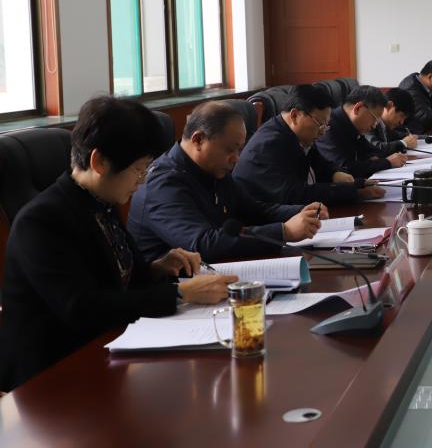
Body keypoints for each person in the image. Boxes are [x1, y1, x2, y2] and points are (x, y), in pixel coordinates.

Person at [0, 97, 237, 391]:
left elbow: (115, 282)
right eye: (138, 170)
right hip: (49, 376)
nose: (142, 181)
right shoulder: (41, 221)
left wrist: (156, 268)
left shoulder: (101, 203)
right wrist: (180, 293)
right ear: (99, 162)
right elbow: (83, 308)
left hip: (106, 348)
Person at [128, 101, 324, 263]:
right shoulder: (162, 185)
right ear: (198, 140)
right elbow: (202, 244)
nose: (236, 158)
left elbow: (255, 211)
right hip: (175, 289)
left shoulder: (213, 169)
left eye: (239, 150)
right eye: (230, 150)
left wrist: (301, 212)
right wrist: (284, 232)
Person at [233, 84, 384, 206]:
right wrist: (355, 194)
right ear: (295, 115)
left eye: (326, 126)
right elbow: (296, 194)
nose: (323, 132)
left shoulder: (294, 134)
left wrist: (355, 183)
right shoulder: (270, 144)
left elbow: (320, 165)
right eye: (320, 124)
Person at [317, 85, 408, 178]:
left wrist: (377, 159)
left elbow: (370, 151)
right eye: (374, 119)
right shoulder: (329, 127)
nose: (374, 125)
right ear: (358, 108)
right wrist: (387, 162)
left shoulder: (353, 125)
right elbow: (344, 169)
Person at [364, 87, 419, 156]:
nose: (401, 122)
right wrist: (403, 143)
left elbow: (403, 135)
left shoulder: (388, 126)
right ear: (389, 106)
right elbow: (375, 148)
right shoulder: (369, 122)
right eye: (401, 116)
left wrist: (426, 138)